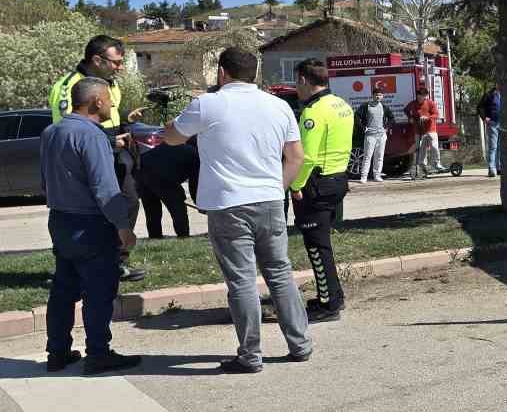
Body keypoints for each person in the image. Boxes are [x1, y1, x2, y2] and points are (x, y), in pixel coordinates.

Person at [164, 48, 312, 374]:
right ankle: (300, 344)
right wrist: (278, 187)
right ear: (255, 73)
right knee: (279, 272)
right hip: (270, 200)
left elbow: (173, 138)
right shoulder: (279, 106)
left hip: (228, 204)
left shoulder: (207, 104)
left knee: (242, 280)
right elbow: (296, 157)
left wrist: (166, 126)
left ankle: (250, 355)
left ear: (222, 73)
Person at [39, 77, 142, 374]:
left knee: (63, 290)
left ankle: (57, 352)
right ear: (96, 101)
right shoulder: (92, 135)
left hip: (59, 219)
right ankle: (98, 353)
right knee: (98, 291)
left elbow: (44, 181)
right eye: (109, 98)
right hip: (91, 224)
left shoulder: (51, 131)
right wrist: (123, 227)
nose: (112, 104)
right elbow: (105, 188)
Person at [49, 35, 147, 282]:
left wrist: (126, 121)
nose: (120, 67)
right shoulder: (69, 86)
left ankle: (117, 260)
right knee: (93, 209)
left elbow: (109, 116)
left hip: (116, 151)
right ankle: (79, 264)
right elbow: (69, 131)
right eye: (115, 62)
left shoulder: (110, 84)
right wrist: (105, 142)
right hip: (91, 152)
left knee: (128, 202)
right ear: (96, 59)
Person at [290, 58, 355, 322]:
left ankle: (328, 305)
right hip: (338, 178)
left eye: (297, 81)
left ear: (305, 80)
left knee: (317, 247)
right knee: (323, 243)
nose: (296, 87)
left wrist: (295, 185)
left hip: (316, 184)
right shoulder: (342, 104)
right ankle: (332, 295)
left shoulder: (313, 112)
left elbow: (307, 157)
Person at [136, 138, 200, 239]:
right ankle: (183, 236)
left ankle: (155, 237)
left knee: (152, 211)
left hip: (143, 173)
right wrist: (201, 204)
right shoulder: (194, 154)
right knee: (178, 208)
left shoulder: (174, 144)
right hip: (164, 177)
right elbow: (194, 184)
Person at [354, 83, 393, 183]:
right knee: (367, 156)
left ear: (382, 96)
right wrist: (363, 128)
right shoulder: (366, 106)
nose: (378, 96)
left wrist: (386, 128)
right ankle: (364, 177)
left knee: (379, 156)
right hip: (370, 136)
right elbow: (357, 116)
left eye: (380, 95)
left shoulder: (384, 107)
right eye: (376, 95)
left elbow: (392, 118)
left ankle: (377, 175)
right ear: (373, 95)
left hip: (381, 135)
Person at [407, 86, 441, 179]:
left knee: (434, 147)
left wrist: (428, 117)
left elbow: (436, 114)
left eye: (422, 95)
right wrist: (410, 118)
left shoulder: (430, 103)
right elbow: (406, 110)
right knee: (421, 150)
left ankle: (436, 164)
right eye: (418, 95)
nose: (419, 97)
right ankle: (422, 168)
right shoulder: (413, 104)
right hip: (418, 130)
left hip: (431, 130)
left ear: (425, 96)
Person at [477, 86, 501, 177]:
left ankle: (499, 168)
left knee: (501, 147)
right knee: (493, 146)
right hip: (493, 124)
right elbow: (480, 107)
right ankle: (491, 168)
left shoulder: (506, 94)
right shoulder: (489, 94)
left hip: (503, 124)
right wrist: (484, 118)